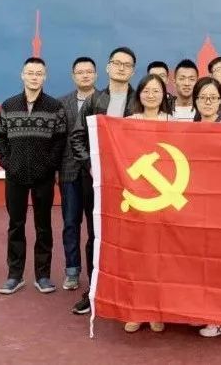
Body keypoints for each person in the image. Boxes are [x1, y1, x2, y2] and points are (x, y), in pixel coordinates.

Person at [69, 46, 136, 315]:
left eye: (127, 65)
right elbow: (77, 138)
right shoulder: (94, 100)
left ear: (133, 70)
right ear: (108, 68)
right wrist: (91, 166)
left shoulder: (139, 100)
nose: (121, 68)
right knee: (96, 234)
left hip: (132, 182)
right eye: (117, 63)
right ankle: (94, 290)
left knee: (131, 236)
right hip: (96, 181)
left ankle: (129, 290)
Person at [0, 57, 67, 295]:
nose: (34, 77)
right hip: (15, 175)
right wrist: (7, 162)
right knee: (16, 225)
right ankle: (14, 276)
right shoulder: (9, 105)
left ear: (45, 77)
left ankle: (43, 276)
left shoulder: (55, 107)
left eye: (39, 73)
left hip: (44, 176)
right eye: (30, 73)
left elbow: (60, 141)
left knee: (43, 226)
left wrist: (49, 165)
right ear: (22, 75)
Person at [123, 73, 170, 334]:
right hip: (137, 199)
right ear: (138, 94)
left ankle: (156, 309)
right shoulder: (127, 124)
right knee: (137, 256)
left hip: (165, 202)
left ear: (164, 94)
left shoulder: (173, 123)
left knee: (161, 258)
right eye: (146, 91)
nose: (151, 95)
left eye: (156, 91)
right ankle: (135, 309)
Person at [194, 77, 221, 338]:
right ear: (195, 101)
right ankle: (202, 311)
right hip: (195, 206)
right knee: (198, 261)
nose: (207, 102)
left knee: (220, 263)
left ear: (220, 101)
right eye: (202, 97)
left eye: (213, 97)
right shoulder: (187, 130)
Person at [58, 56, 98, 291]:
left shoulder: (103, 100)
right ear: (73, 76)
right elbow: (58, 139)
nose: (85, 75)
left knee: (95, 226)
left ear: (96, 75)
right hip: (69, 172)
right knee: (71, 223)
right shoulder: (62, 103)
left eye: (89, 71)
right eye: (80, 72)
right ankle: (72, 271)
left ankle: (96, 270)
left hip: (95, 173)